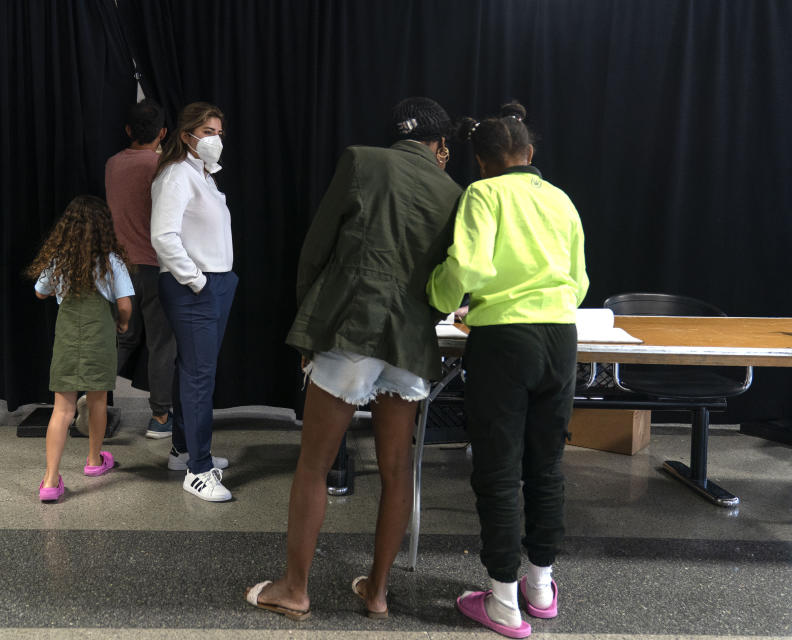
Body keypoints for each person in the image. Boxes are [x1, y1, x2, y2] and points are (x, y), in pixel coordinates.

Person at [245, 97, 462, 619]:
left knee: (314, 464)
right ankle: (378, 592)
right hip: (410, 341)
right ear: (440, 146)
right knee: (396, 468)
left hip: (351, 327)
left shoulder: (362, 160)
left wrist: (308, 330)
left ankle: (295, 589)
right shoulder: (455, 192)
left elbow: (316, 249)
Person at [426, 102, 589, 639]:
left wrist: (440, 296)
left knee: (498, 468)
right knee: (547, 465)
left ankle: (501, 602)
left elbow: (469, 267)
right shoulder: (561, 198)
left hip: (504, 342)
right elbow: (579, 279)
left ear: (480, 161)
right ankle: (540, 589)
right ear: (530, 153)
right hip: (560, 337)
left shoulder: (483, 193)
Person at [150, 102, 235, 502]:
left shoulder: (204, 176)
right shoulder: (175, 176)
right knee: (200, 378)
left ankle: (184, 451)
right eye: (207, 133)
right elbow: (163, 237)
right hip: (195, 286)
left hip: (216, 281)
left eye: (219, 132)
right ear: (186, 136)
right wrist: (197, 281)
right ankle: (198, 471)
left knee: (194, 372)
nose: (216, 140)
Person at [26, 195, 135, 502]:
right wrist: (123, 324)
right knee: (98, 401)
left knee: (62, 409)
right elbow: (125, 304)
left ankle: (49, 481)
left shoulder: (60, 259)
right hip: (99, 336)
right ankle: (94, 460)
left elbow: (39, 293)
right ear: (104, 228)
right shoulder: (112, 261)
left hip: (67, 338)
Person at [105, 98, 177, 439]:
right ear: (163, 132)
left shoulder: (112, 164)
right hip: (156, 265)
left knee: (123, 339)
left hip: (119, 266)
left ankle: (92, 408)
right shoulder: (165, 166)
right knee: (162, 342)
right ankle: (160, 418)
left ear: (128, 130)